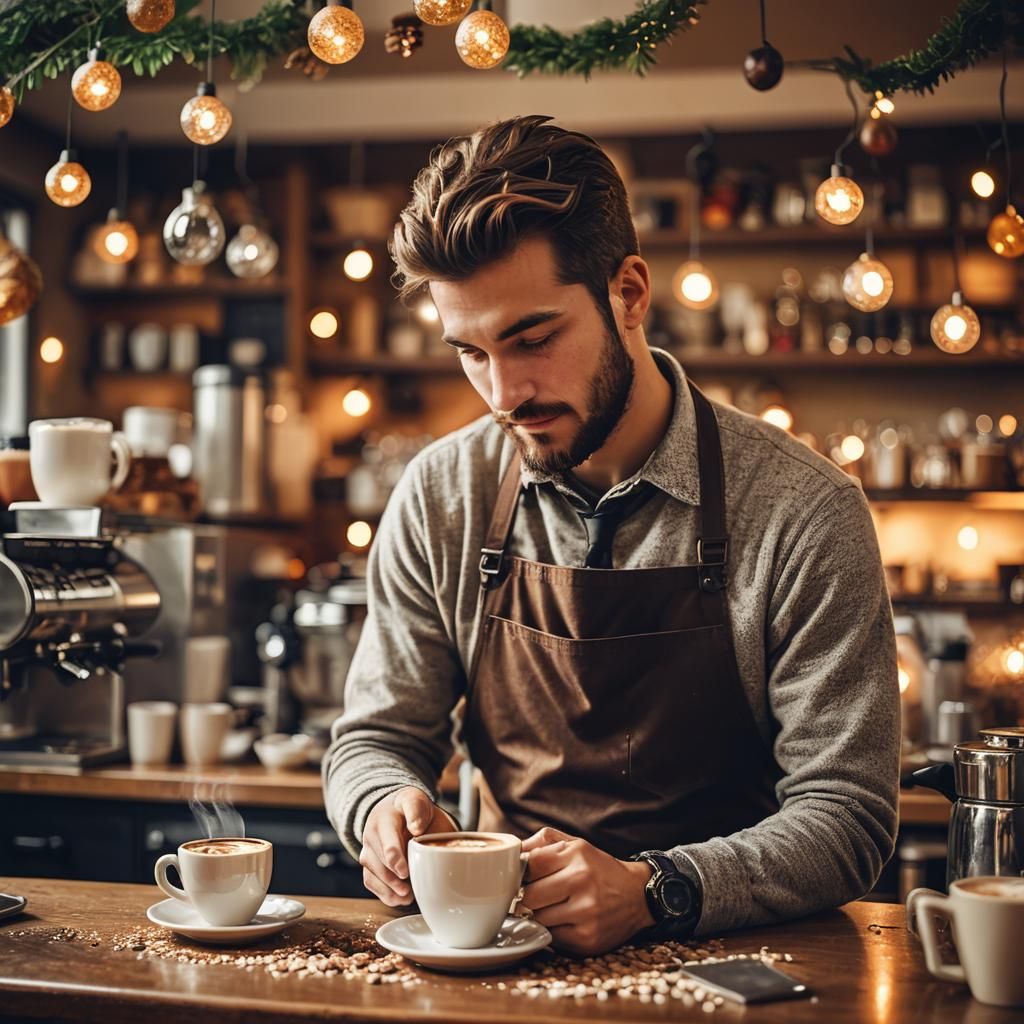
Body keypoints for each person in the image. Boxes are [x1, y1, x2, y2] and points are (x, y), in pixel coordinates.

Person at [322, 114, 900, 956]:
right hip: (506, 963)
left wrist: (657, 890)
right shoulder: (443, 493)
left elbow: (847, 816)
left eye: (534, 338)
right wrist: (379, 807)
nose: (505, 392)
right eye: (470, 353)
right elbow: (376, 739)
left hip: (744, 973)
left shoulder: (803, 509)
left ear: (628, 294)